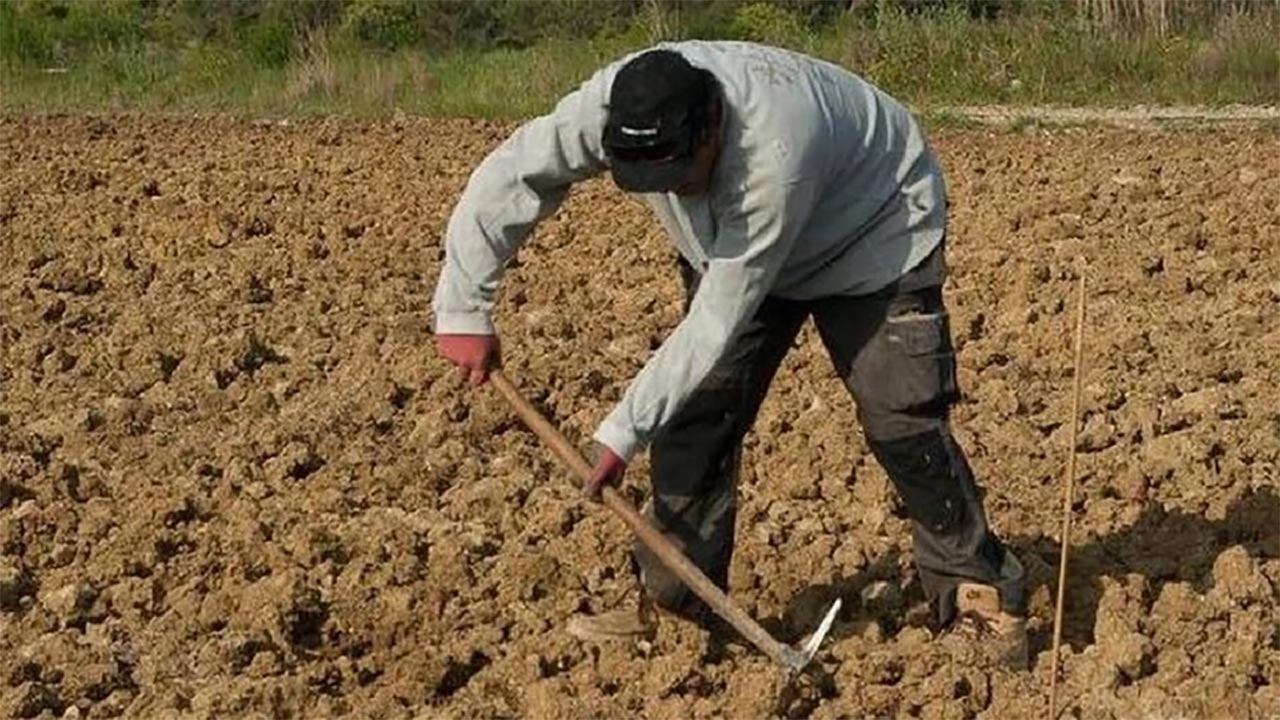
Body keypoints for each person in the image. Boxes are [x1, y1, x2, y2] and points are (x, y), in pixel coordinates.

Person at [432, 41, 1028, 669]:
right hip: (734, 248)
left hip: (873, 231)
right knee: (694, 418)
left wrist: (619, 433)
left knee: (903, 421)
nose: (677, 194)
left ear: (712, 127)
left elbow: (718, 317)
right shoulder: (611, 108)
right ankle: (675, 608)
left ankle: (982, 596)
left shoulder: (774, 152)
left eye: (684, 175)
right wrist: (463, 306)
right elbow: (513, 172)